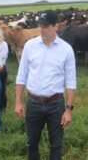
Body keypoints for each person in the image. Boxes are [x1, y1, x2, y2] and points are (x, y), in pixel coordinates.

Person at [14, 10, 76, 160]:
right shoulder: (30, 46)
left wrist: (68, 109)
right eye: (40, 25)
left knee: (56, 144)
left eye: (46, 26)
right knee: (31, 142)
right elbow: (21, 75)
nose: (41, 29)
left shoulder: (66, 49)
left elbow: (71, 81)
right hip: (33, 102)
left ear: (56, 26)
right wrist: (18, 102)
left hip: (56, 103)